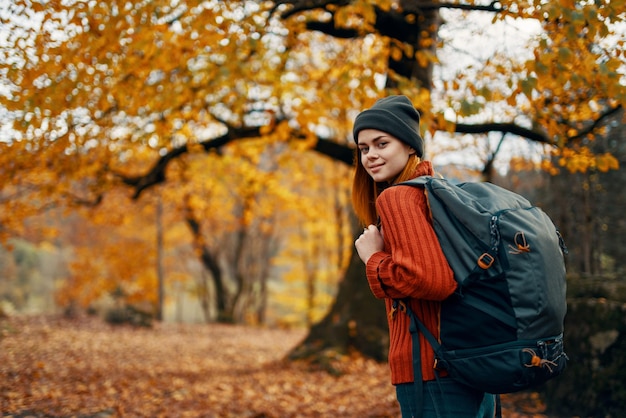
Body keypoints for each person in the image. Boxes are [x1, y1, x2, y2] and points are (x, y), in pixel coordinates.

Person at [352, 95, 497, 418]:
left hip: (432, 372)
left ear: (410, 147)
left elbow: (432, 281)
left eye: (381, 144)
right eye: (364, 149)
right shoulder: (436, 192)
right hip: (471, 365)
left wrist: (373, 259)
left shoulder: (398, 197)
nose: (371, 155)